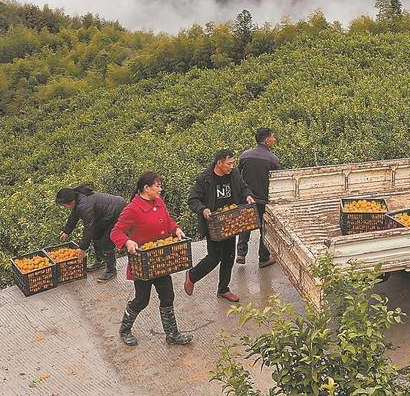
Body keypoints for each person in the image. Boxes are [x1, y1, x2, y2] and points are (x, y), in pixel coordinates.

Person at [110, 172, 192, 347]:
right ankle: (125, 329)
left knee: (168, 295)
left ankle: (172, 334)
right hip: (143, 262)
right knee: (142, 300)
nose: (160, 189)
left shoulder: (159, 203)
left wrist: (176, 229)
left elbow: (168, 222)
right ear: (146, 188)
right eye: (157, 186)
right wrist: (127, 241)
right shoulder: (132, 209)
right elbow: (116, 232)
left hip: (160, 260)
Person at [185, 149, 255, 302]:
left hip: (230, 222)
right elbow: (193, 200)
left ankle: (223, 289)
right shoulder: (204, 179)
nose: (232, 166)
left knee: (229, 257)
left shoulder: (234, 174)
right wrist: (203, 209)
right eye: (229, 163)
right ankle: (192, 275)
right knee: (214, 257)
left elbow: (244, 187)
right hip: (214, 225)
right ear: (219, 163)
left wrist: (248, 195)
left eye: (232, 163)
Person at [56, 184, 127, 282]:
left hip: (119, 212)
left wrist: (83, 248)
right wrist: (66, 231)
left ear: (70, 202)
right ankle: (100, 260)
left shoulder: (84, 205)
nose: (64, 207)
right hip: (106, 216)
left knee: (106, 242)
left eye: (64, 205)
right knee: (96, 235)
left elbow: (89, 227)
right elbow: (74, 216)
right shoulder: (77, 198)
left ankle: (111, 270)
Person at [236, 128, 281, 267]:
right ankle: (263, 258)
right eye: (272, 137)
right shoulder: (273, 159)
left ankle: (241, 254)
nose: (274, 139)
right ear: (267, 140)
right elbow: (278, 181)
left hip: (247, 198)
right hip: (263, 200)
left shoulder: (245, 155)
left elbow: (238, 175)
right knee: (265, 229)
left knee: (246, 225)